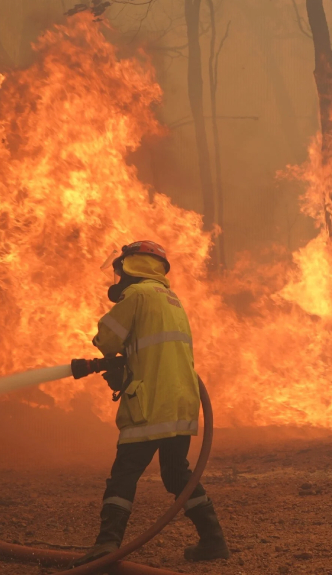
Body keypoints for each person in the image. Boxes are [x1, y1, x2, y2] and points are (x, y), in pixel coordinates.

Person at [75, 240, 229, 566]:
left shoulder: (137, 295)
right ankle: (213, 540)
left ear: (132, 265)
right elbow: (156, 353)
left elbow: (107, 340)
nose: (119, 278)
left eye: (121, 270)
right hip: (181, 402)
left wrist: (114, 354)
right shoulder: (173, 300)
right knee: (176, 474)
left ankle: (107, 544)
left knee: (125, 473)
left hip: (149, 405)